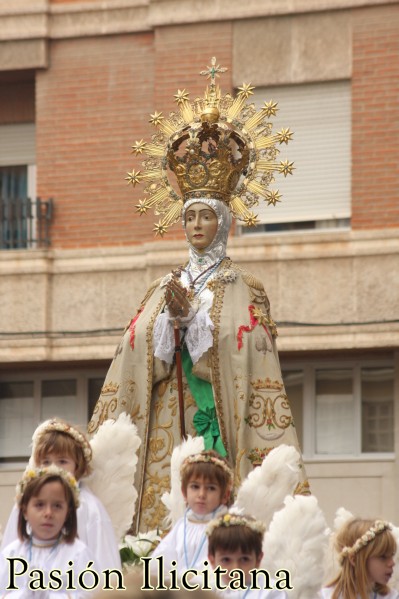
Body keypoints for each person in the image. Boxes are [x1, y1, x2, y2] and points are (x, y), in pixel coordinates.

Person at [88, 57, 309, 532]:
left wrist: (198, 327)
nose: (196, 227)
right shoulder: (160, 287)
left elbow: (253, 351)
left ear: (223, 222)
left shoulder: (245, 286)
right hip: (166, 428)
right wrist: (167, 325)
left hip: (218, 424)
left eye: (206, 217)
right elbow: (133, 350)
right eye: (189, 218)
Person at [0, 418, 121, 573]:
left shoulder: (90, 507)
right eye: (46, 462)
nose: (54, 468)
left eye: (62, 461)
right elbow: (11, 545)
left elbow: (105, 563)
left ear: (77, 466)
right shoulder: (28, 501)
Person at [0, 465, 94, 596]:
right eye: (39, 505)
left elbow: (91, 594)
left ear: (68, 512)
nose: (48, 513)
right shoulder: (11, 554)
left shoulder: (78, 553)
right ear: (25, 510)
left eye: (57, 506)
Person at [149, 450, 233, 579]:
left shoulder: (227, 528)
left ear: (225, 495)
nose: (201, 494)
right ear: (184, 492)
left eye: (211, 488)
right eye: (195, 487)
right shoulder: (181, 526)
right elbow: (159, 564)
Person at [205, 511, 289, 597]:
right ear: (212, 561)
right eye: (226, 560)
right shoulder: (206, 592)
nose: (235, 569)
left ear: (258, 559)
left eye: (244, 559)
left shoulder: (271, 592)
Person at [321, 518, 399, 599]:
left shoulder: (391, 596)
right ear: (354, 559)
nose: (392, 563)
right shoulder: (325, 596)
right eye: (383, 557)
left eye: (392, 555)